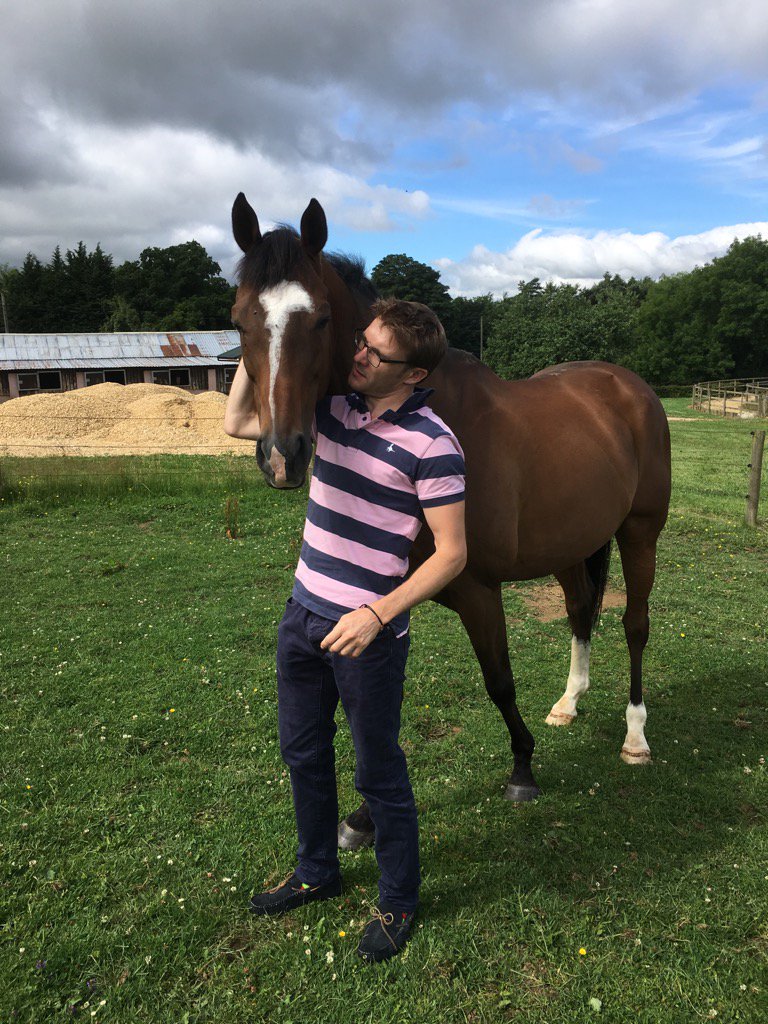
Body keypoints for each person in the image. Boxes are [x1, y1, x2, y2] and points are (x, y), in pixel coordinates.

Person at [224, 298, 467, 963]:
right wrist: (259, 339)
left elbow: (452, 553)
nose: (357, 355)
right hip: (302, 616)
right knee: (302, 752)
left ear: (413, 374)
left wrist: (377, 614)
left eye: (375, 352)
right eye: (360, 342)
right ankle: (316, 871)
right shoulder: (332, 410)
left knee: (377, 772)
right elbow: (237, 418)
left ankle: (399, 899)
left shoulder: (435, 444)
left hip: (367, 637)